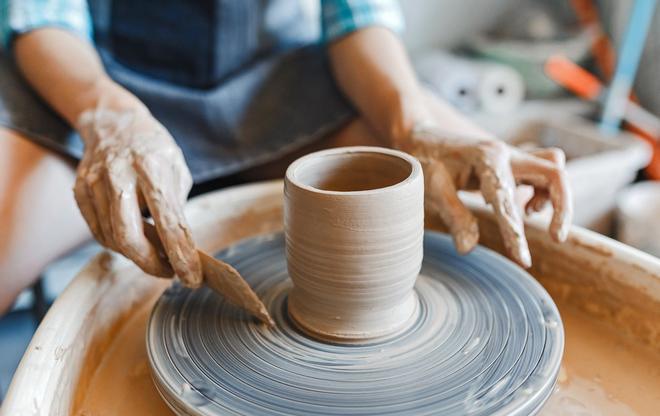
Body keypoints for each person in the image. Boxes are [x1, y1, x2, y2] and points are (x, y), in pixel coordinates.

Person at [0, 0, 571, 314]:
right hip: (96, 80)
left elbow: (357, 16)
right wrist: (112, 118)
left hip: (275, 84)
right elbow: (42, 16)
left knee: (507, 210)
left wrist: (412, 124)